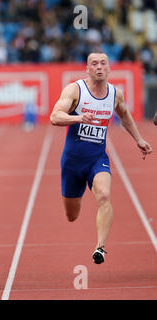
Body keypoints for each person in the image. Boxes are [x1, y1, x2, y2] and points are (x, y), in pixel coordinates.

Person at [50, 52, 152, 264]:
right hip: (72, 162)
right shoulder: (75, 90)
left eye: (103, 63)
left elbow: (124, 116)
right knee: (72, 216)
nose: (99, 67)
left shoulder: (115, 94)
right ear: (87, 68)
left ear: (109, 68)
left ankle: (100, 248)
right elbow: (54, 116)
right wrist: (78, 117)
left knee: (104, 195)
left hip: (98, 158)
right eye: (94, 64)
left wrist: (139, 139)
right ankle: (75, 201)